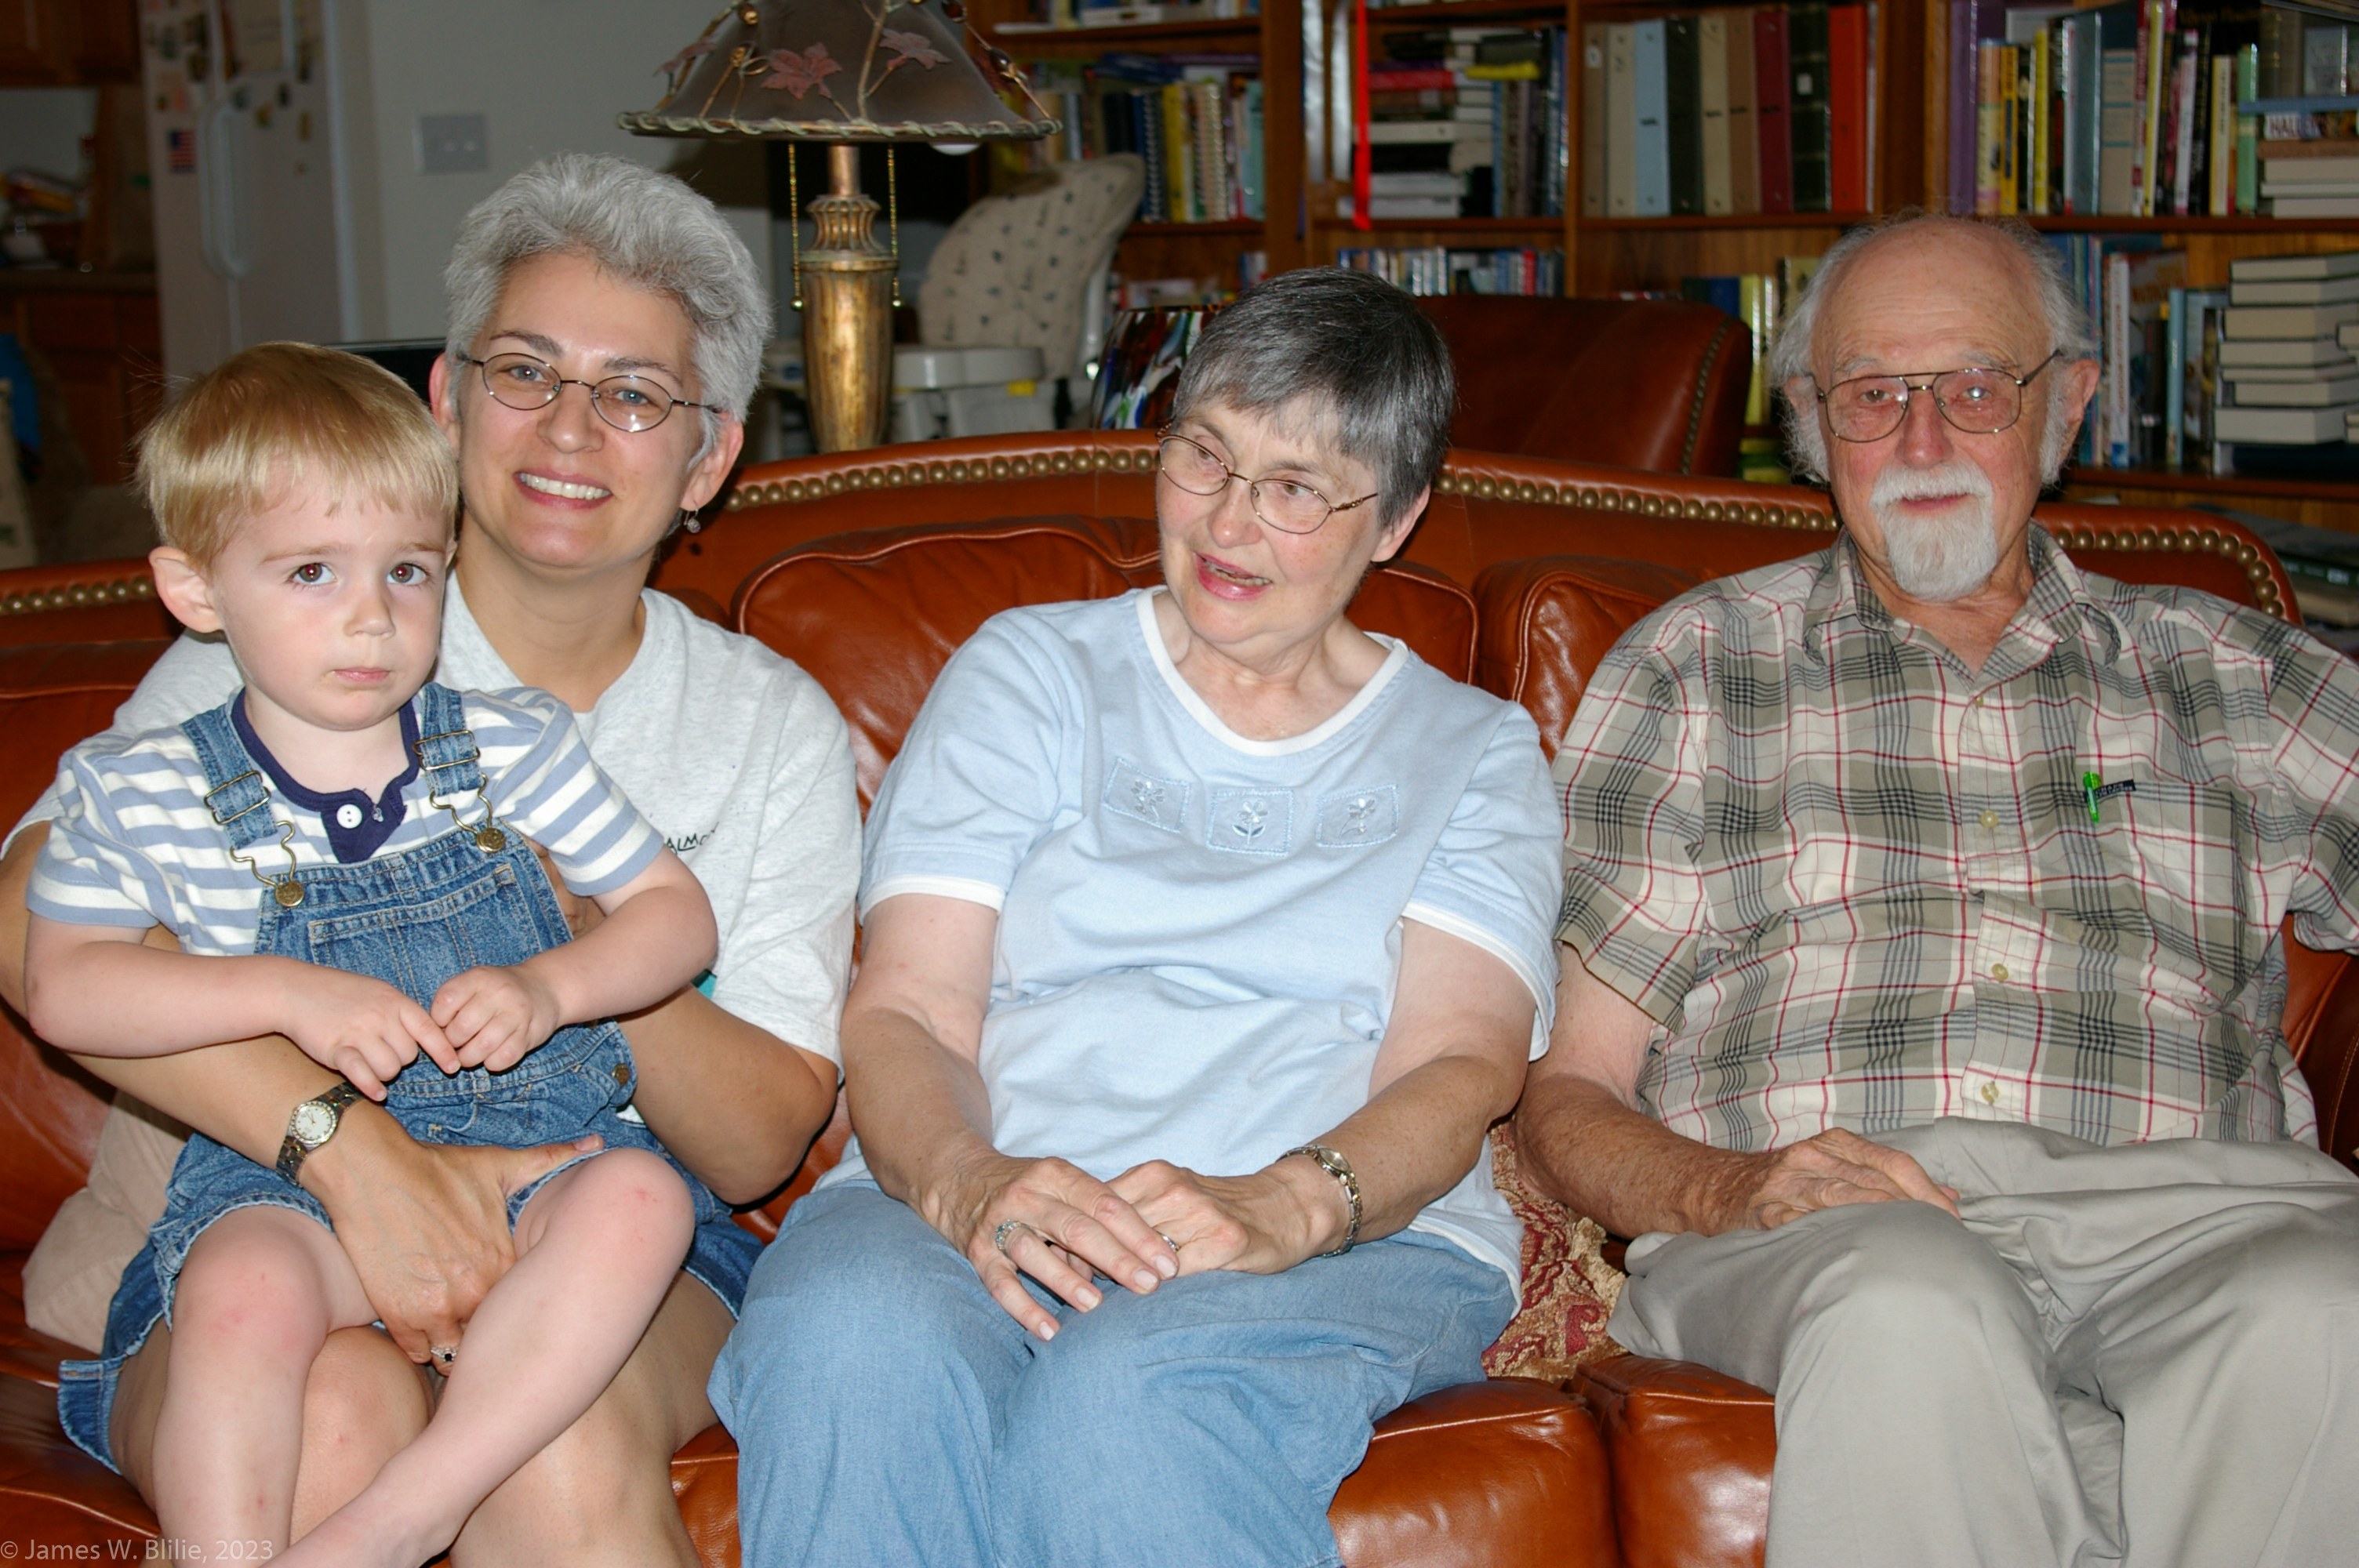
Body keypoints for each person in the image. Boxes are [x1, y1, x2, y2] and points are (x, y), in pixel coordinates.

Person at [0, 154, 856, 1566]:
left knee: (558, 1442)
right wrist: (353, 1152)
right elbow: (31, 926)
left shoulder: (766, 727)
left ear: (708, 459)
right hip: (271, 1202)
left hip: (592, 1197)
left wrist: (561, 932)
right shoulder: (296, 621)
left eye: (634, 394)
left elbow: (761, 1137)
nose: (570, 427)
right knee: (327, 1413)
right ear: (447, 403)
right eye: (525, 371)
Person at [1518, 210, 2359, 1568]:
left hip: (2199, 1211)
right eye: (1871, 395)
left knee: (2328, 1304)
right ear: (1810, 423)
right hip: (1822, 1228)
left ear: (2066, 405)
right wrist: (1734, 1190)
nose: (1921, 442)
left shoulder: (2237, 676)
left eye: (1974, 389)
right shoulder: (1695, 668)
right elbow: (1568, 1093)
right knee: (1909, 1300)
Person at [710, 267, 1563, 1568]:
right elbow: (911, 1008)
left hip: (1341, 1233)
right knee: (851, 1341)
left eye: (1295, 489)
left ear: (1394, 519)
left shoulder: (1475, 752)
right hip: (975, 1183)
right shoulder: (1028, 672)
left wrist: (1290, 1205)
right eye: (1203, 456)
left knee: (1130, 1392)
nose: (1227, 522)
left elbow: (1460, 1064)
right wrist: (966, 1182)